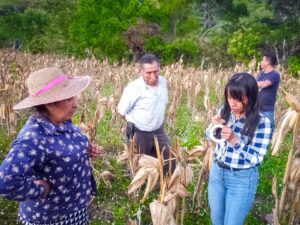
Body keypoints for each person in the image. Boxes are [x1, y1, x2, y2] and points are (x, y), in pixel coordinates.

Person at [0, 67, 103, 225]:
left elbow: (63, 147)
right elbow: (5, 183)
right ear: (49, 104)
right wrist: (41, 189)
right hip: (53, 217)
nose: (75, 104)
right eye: (69, 99)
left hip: (76, 207)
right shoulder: (34, 138)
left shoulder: (61, 121)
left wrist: (86, 149)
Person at [206, 73, 273, 225]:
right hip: (217, 174)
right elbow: (209, 136)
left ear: (251, 97)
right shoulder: (225, 110)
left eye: (239, 99)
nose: (233, 103)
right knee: (216, 221)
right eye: (230, 97)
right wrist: (214, 127)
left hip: (241, 179)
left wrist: (234, 140)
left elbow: (256, 159)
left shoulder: (262, 123)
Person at [117, 54, 173, 173]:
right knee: (139, 162)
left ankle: (166, 185)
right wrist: (134, 124)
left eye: (156, 71)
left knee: (169, 157)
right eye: (148, 73)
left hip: (159, 130)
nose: (153, 76)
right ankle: (139, 189)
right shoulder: (134, 88)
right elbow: (121, 111)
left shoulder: (163, 82)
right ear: (141, 71)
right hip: (139, 131)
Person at [256, 53, 281, 127]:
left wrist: (251, 82)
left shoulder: (275, 74)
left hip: (267, 109)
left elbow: (265, 84)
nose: (261, 62)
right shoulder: (261, 73)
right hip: (257, 107)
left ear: (267, 62)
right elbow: (256, 85)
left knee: (269, 129)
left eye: (263, 60)